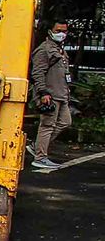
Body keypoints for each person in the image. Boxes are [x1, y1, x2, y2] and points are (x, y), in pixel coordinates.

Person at [29, 20, 72, 170]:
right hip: (50, 94)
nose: (62, 34)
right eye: (58, 30)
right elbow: (37, 72)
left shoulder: (59, 49)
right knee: (47, 125)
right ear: (50, 31)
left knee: (65, 122)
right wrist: (43, 92)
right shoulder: (45, 49)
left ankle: (37, 146)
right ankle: (40, 157)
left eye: (64, 31)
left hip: (61, 94)